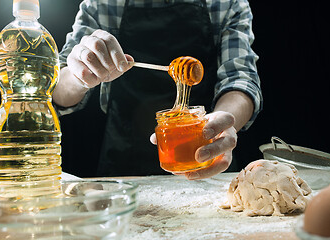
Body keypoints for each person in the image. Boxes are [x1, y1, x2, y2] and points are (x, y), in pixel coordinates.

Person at [52, 0, 263, 180]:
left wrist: (223, 124)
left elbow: (240, 79)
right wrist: (80, 74)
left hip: (205, 154)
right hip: (125, 165)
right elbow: (57, 88)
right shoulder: (103, 4)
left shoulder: (225, 3)